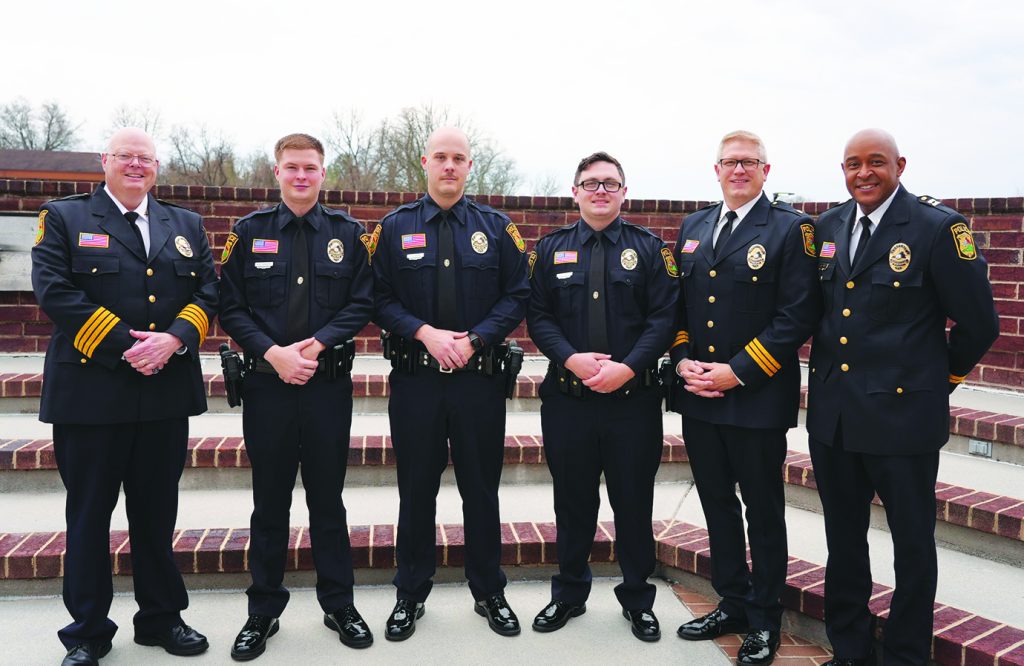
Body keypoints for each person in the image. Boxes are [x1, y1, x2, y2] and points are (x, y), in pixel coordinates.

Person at [807, 129, 999, 666]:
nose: (863, 173)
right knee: (844, 543)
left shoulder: (938, 228)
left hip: (902, 422)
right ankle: (849, 651)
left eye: (875, 162)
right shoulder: (825, 226)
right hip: (835, 420)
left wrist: (938, 381)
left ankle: (906, 656)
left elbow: (981, 323)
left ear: (900, 165)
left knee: (912, 547)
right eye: (852, 164)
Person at [31, 127, 215, 665]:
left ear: (157, 166)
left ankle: (160, 619)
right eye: (126, 157)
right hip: (91, 394)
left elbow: (209, 289)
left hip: (163, 395)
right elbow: (54, 291)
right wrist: (127, 345)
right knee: (89, 517)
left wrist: (176, 338)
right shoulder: (64, 218)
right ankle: (87, 632)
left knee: (156, 516)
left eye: (146, 158)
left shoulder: (186, 224)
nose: (137, 165)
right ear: (104, 162)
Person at [218, 133, 374, 660]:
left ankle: (339, 604)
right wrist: (272, 352)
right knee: (270, 503)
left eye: (310, 167)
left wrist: (320, 341)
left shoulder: (348, 234)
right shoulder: (248, 232)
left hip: (327, 386)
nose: (301, 175)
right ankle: (263, 611)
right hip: (268, 387)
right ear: (277, 171)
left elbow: (363, 302)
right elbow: (230, 305)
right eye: (292, 167)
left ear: (323, 173)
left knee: (328, 500)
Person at [371, 126, 529, 640]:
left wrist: (477, 339)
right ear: (424, 162)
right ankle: (410, 594)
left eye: (458, 158)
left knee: (480, 490)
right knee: (416, 490)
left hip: (478, 383)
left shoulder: (498, 229)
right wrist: (424, 333)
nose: (449, 166)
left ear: (469, 165)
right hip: (416, 382)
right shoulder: (394, 228)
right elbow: (377, 297)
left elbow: (517, 294)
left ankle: (489, 591)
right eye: (440, 156)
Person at [669, 131, 818, 664]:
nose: (738, 170)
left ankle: (763, 618)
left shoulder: (790, 230)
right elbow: (681, 309)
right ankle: (731, 602)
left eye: (748, 162)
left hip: (753, 398)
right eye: (729, 162)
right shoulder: (694, 226)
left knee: (762, 510)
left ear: (765, 170)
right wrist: (683, 357)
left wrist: (736, 372)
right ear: (716, 170)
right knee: (716, 505)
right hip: (699, 396)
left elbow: (796, 315)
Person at [527, 151, 677, 642]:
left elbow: (663, 319)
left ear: (624, 193)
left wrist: (628, 368)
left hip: (632, 403)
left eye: (611, 184)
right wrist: (571, 359)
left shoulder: (651, 249)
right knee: (572, 503)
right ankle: (569, 594)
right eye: (591, 183)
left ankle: (638, 599)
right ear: (575, 192)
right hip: (568, 401)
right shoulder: (549, 249)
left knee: (633, 502)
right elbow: (539, 316)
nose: (601, 191)